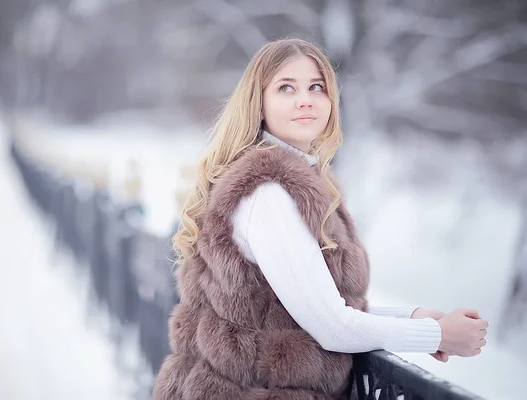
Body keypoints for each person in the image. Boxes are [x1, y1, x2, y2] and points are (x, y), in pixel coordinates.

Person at [152, 38, 488, 400]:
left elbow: (308, 306)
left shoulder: (286, 184)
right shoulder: (267, 196)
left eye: (317, 87)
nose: (305, 100)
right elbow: (331, 326)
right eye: (286, 88)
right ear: (259, 104)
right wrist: (437, 336)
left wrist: (413, 318)